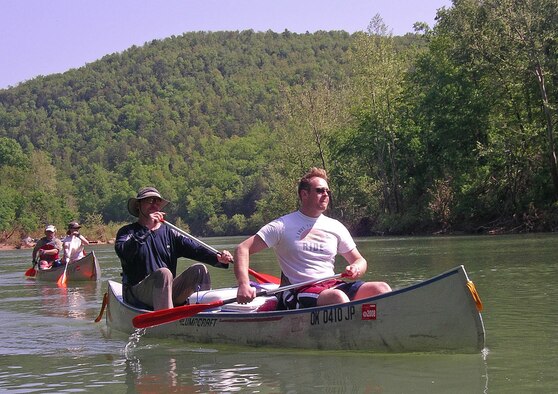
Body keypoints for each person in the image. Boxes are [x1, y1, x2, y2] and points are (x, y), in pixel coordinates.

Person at [234, 167, 392, 309]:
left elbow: (360, 260)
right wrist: (244, 284)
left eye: (327, 192)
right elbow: (243, 249)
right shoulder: (281, 225)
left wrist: (356, 268)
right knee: (338, 298)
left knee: (382, 289)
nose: (326, 195)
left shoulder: (336, 226)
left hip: (332, 285)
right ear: (304, 194)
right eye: (320, 191)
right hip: (299, 291)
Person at [115, 186, 233, 311]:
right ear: (138, 205)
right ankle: (167, 322)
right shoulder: (127, 232)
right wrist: (147, 229)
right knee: (164, 273)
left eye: (157, 201)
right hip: (138, 294)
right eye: (149, 200)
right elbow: (124, 253)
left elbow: (196, 249)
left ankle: (203, 317)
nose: (154, 204)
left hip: (166, 290)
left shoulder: (170, 233)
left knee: (199, 270)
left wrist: (218, 258)